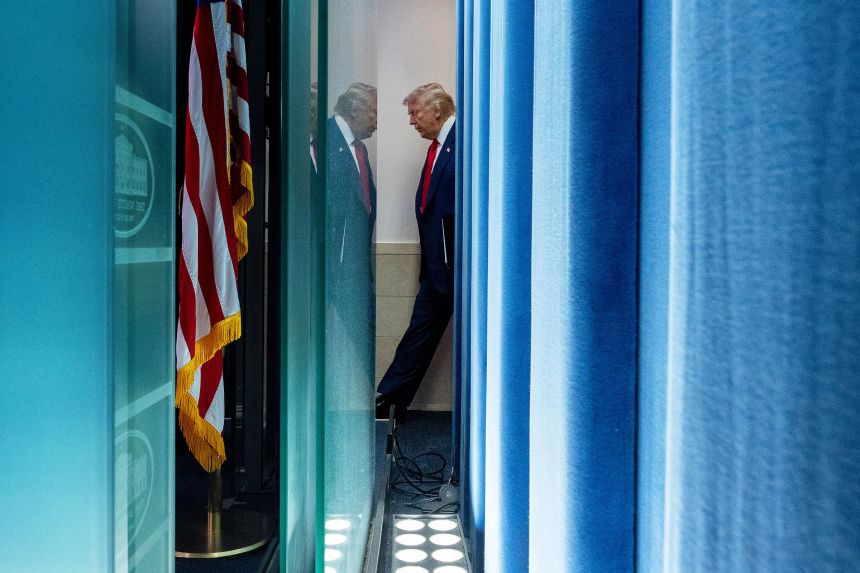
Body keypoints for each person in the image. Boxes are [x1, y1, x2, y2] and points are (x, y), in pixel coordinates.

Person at [376, 83, 456, 422]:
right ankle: (391, 401)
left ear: (436, 110)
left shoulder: (464, 143)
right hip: (438, 267)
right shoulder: (438, 147)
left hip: (459, 267)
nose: (412, 121)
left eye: (414, 113)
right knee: (420, 331)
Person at [326, 83, 378, 393]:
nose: (376, 120)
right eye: (374, 112)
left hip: (355, 263)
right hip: (334, 262)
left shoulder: (359, 147)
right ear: (356, 112)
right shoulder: (327, 141)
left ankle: (375, 397)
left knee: (365, 328)